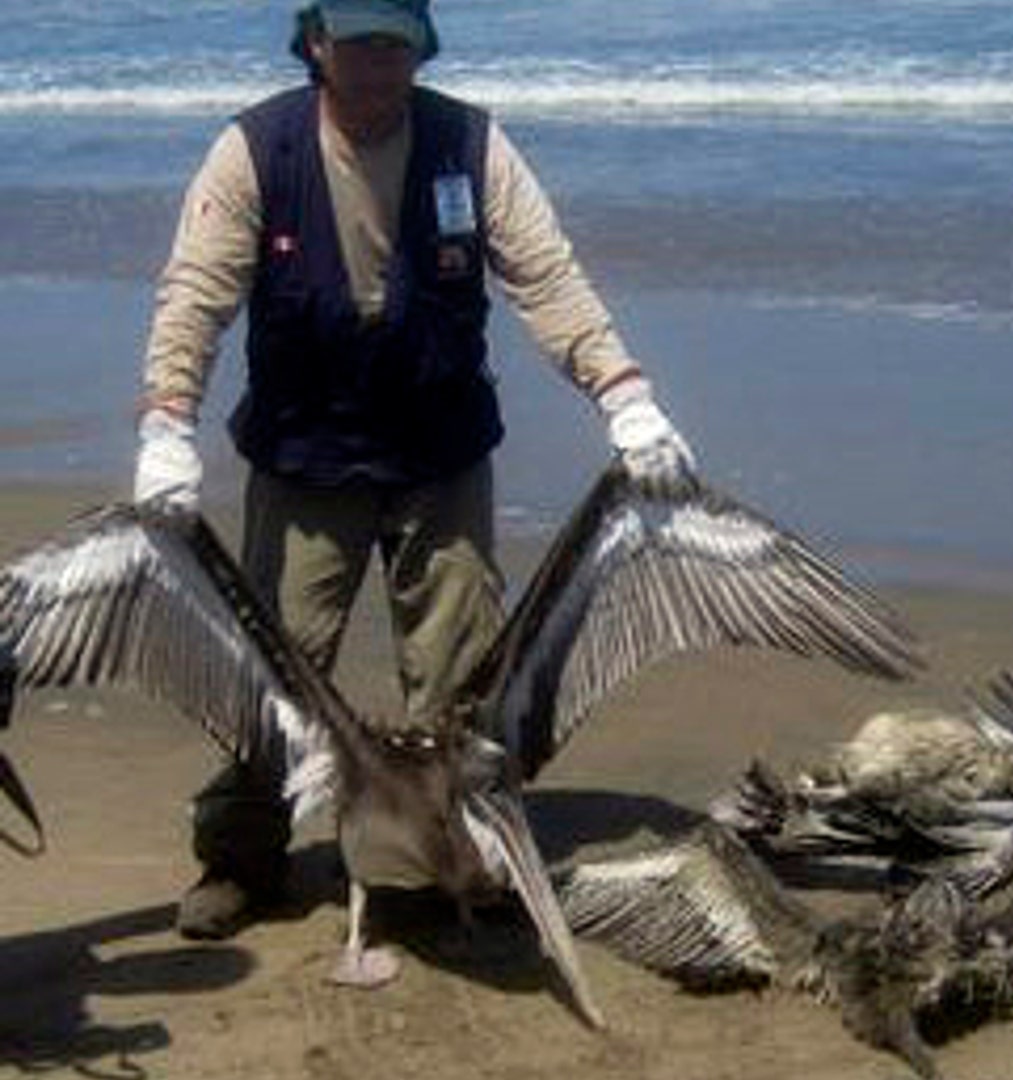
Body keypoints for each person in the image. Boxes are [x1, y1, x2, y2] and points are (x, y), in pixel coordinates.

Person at [133, 0, 696, 939]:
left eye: (396, 45)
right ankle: (241, 860)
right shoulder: (254, 150)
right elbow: (195, 291)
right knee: (275, 672)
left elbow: (545, 277)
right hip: (305, 457)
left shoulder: (471, 145)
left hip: (440, 453)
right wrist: (166, 419)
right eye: (358, 45)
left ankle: (459, 860)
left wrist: (622, 389)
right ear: (316, 43)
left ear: (421, 48)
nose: (378, 66)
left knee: (460, 677)